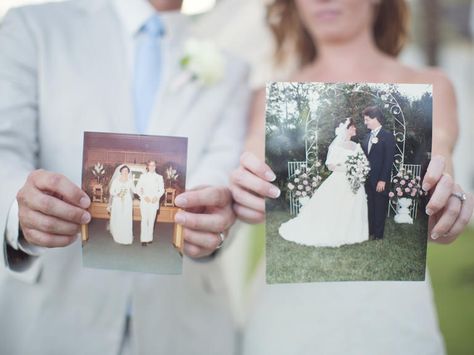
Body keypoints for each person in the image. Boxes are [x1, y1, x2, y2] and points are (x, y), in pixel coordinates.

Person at [0, 0, 249, 354]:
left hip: (185, 327)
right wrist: (17, 208)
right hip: (51, 318)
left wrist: (215, 221)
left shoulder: (233, 64)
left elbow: (223, 177)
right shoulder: (33, 27)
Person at [230, 0, 474, 354]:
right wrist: (246, 191)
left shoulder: (432, 85)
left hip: (394, 316)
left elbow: (441, 163)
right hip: (288, 318)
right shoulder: (264, 96)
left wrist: (447, 204)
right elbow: (250, 170)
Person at [279, 118, 369, 247]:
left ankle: (352, 234)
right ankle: (333, 232)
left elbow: (363, 162)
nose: (355, 129)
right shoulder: (337, 145)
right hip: (339, 179)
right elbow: (331, 165)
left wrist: (358, 170)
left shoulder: (356, 146)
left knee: (352, 205)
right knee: (336, 207)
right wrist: (347, 168)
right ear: (347, 129)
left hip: (354, 180)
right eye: (353, 127)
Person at [361, 105, 396, 240]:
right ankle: (369, 231)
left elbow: (388, 161)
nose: (365, 122)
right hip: (366, 179)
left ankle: (378, 234)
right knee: (369, 205)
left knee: (379, 206)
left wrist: (383, 179)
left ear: (375, 118)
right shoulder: (366, 137)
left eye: (367, 119)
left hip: (380, 179)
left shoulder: (387, 136)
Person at [136, 160, 165, 246]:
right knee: (145, 220)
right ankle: (143, 239)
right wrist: (144, 196)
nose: (152, 167)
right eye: (150, 165)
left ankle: (149, 238)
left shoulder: (159, 177)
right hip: (145, 201)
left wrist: (157, 197)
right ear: (147, 166)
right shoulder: (143, 176)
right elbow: (138, 189)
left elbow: (162, 189)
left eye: (153, 165)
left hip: (154, 202)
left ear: (155, 167)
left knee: (152, 220)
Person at [109, 164, 135, 245]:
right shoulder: (116, 180)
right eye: (124, 171)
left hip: (127, 201)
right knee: (119, 217)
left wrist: (142, 191)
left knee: (126, 218)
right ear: (120, 172)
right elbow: (111, 191)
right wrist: (118, 194)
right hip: (118, 201)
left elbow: (134, 190)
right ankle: (118, 235)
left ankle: (127, 237)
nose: (125, 172)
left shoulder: (130, 181)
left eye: (127, 171)